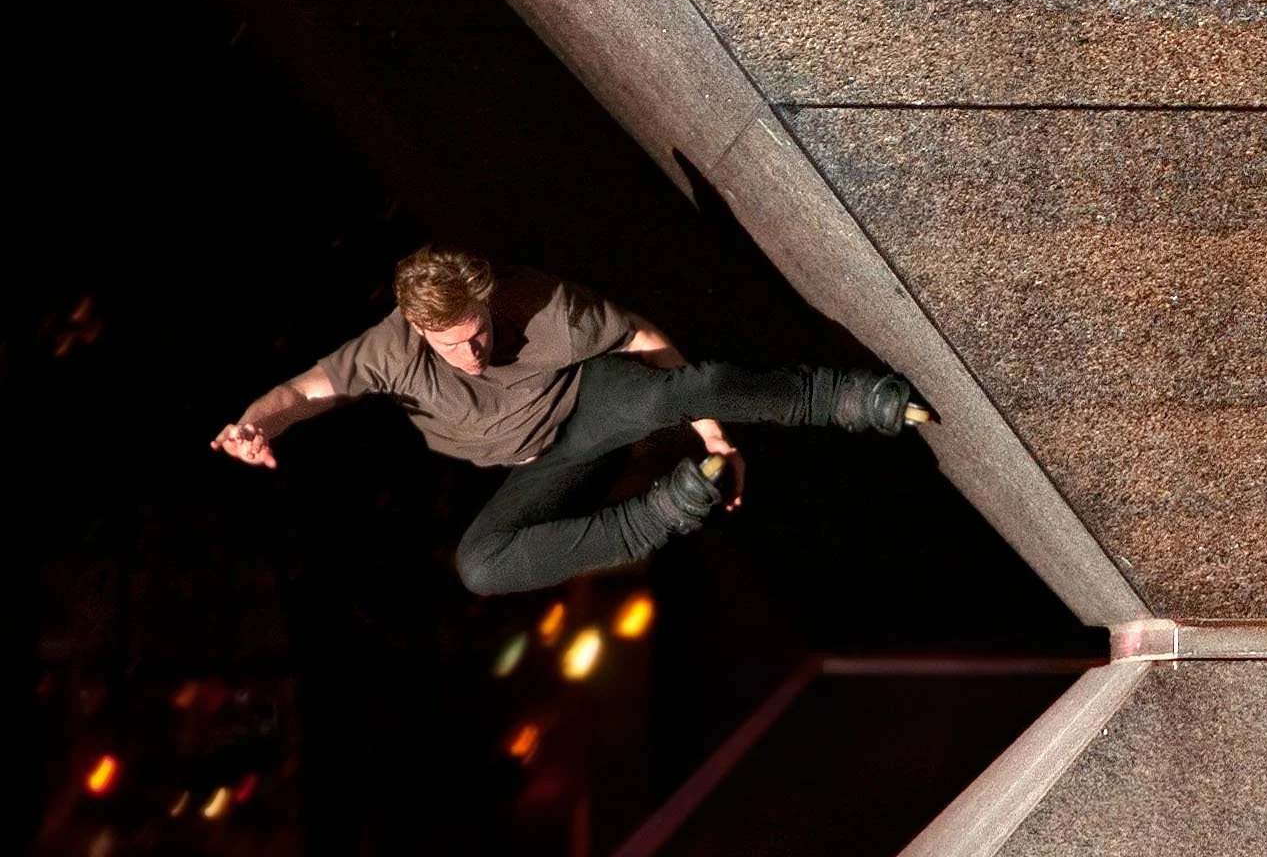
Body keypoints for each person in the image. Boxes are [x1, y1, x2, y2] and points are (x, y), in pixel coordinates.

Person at [211, 244, 928, 594]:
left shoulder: (545, 305)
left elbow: (648, 342)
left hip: (588, 405)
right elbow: (301, 392)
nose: (472, 352)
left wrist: (711, 432)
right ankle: (659, 517)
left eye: (478, 332)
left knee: (671, 389)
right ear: (415, 328)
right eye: (450, 343)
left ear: (489, 302)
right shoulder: (388, 350)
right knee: (479, 566)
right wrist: (255, 426)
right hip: (545, 467)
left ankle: (844, 399)